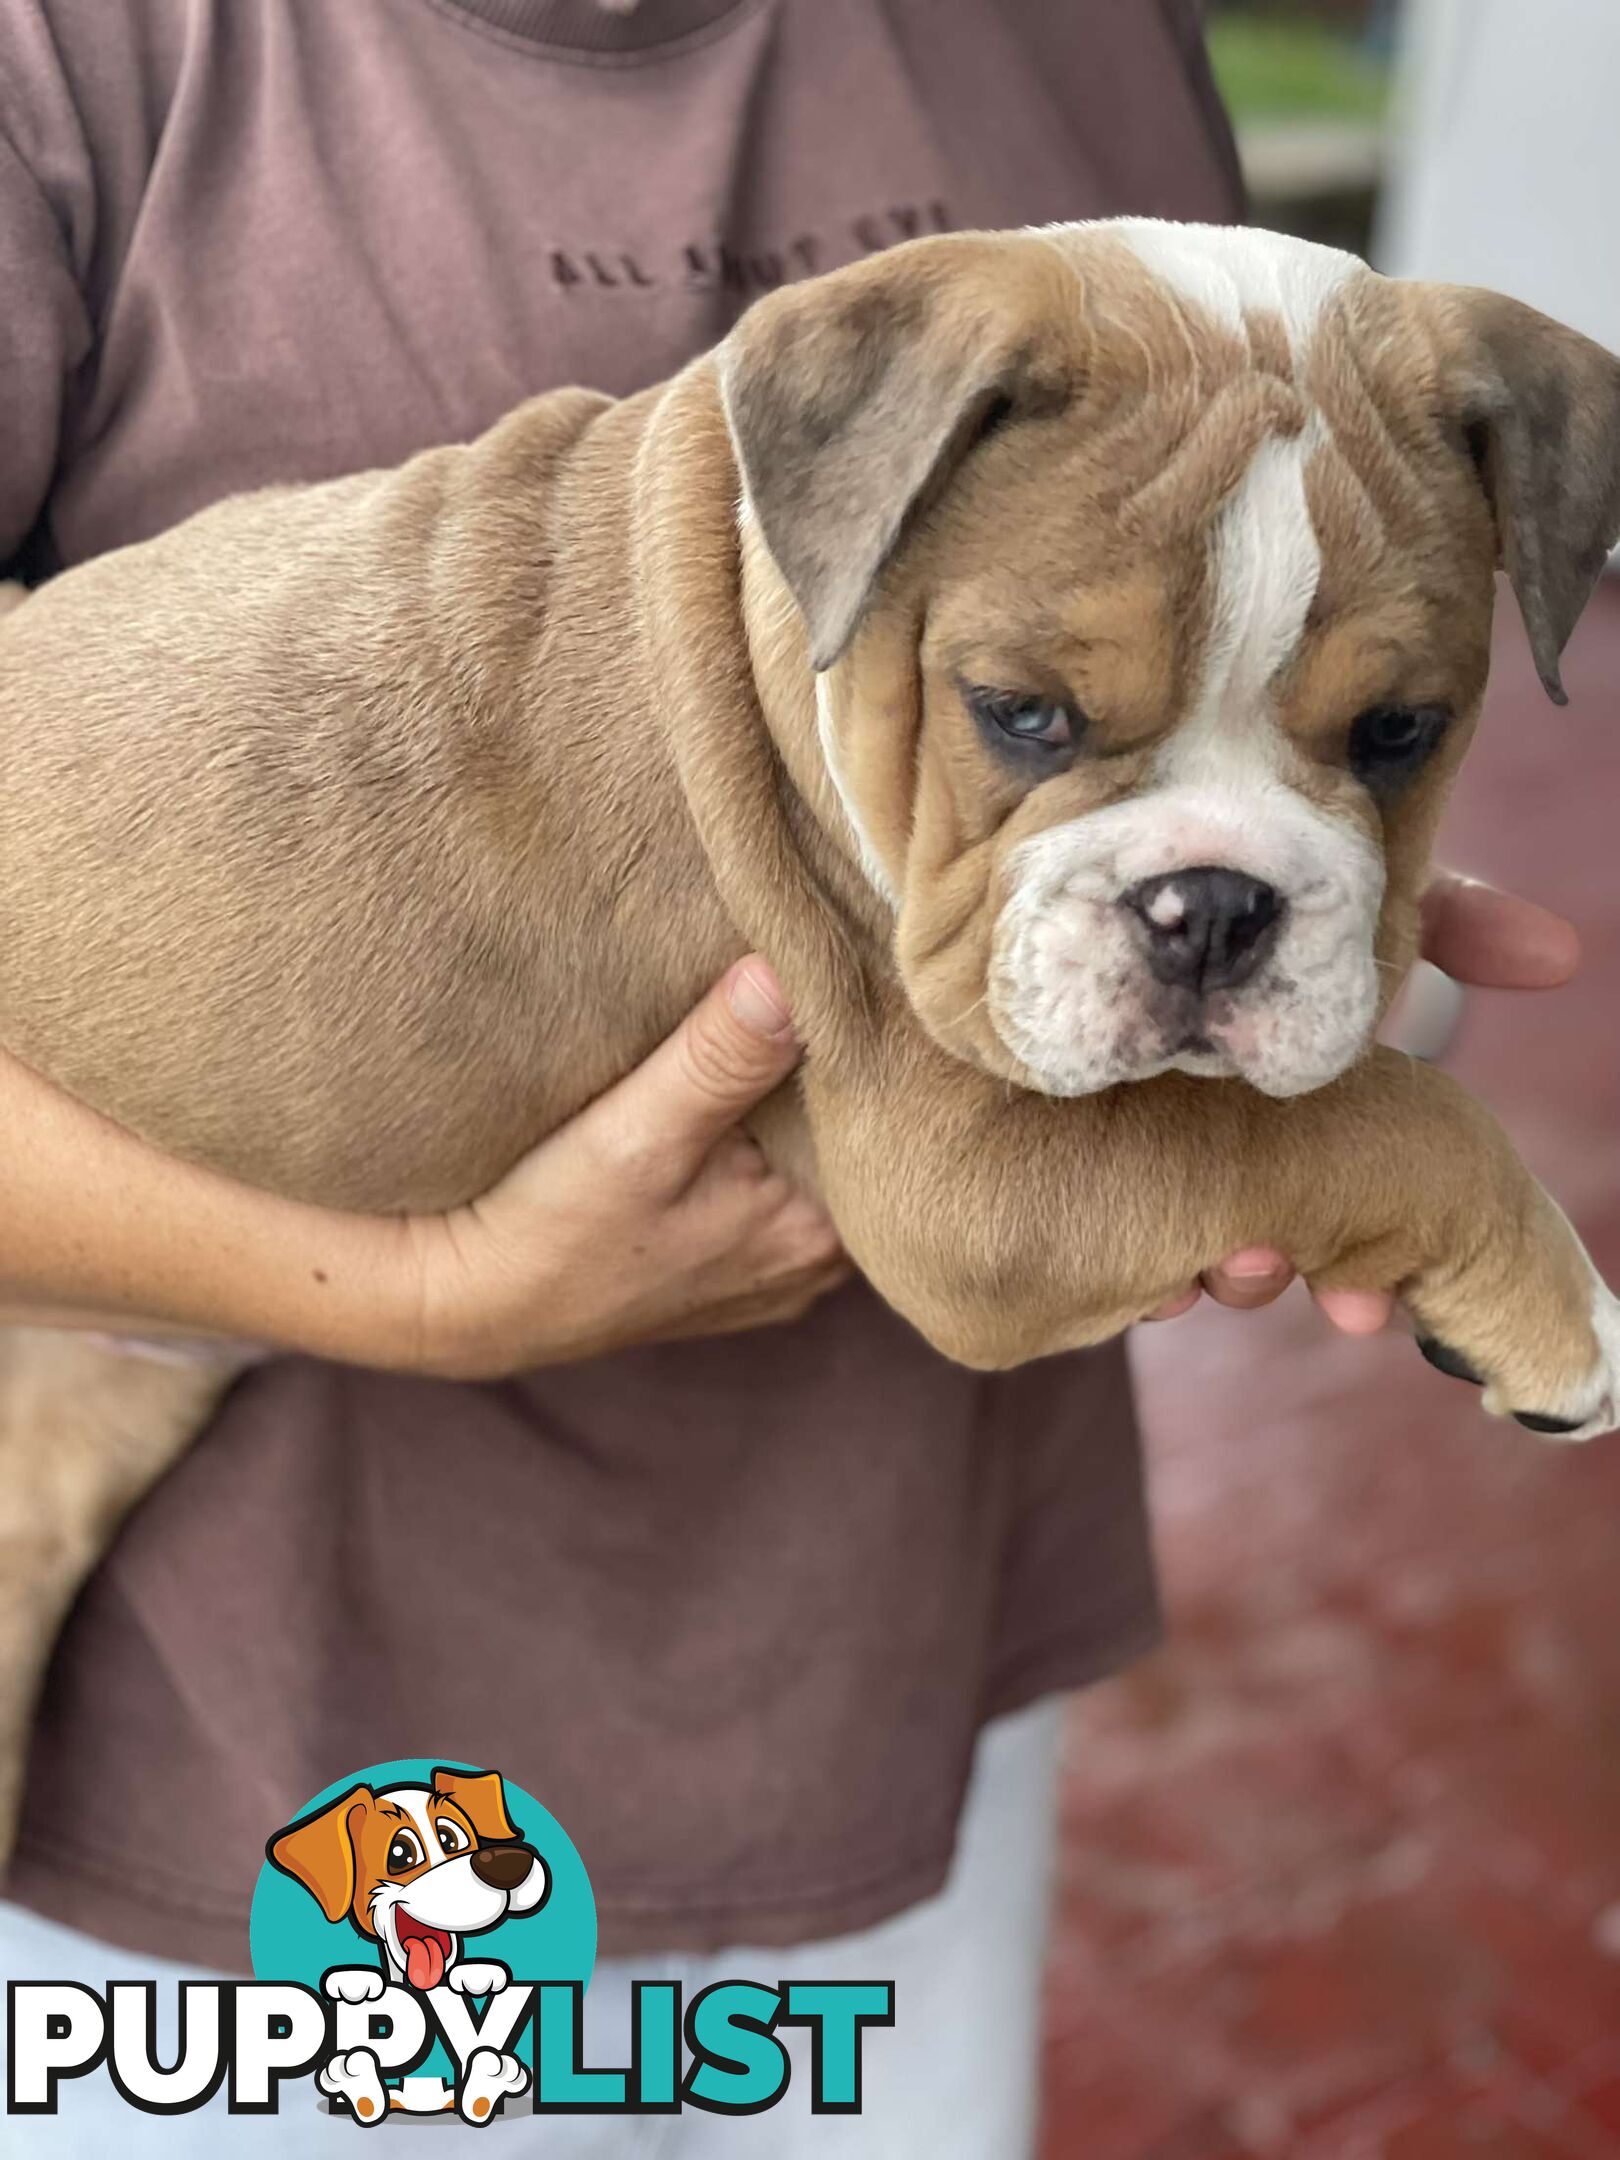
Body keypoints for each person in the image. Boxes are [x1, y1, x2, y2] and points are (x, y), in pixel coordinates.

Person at [0, 2, 1582, 2151]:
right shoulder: (91, 58)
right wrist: (437, 1289)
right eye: (1032, 712)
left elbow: (1244, 592)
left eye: (1382, 732)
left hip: (895, 1646)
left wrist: (1319, 913)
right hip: (297, 1759)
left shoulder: (1076, 35)